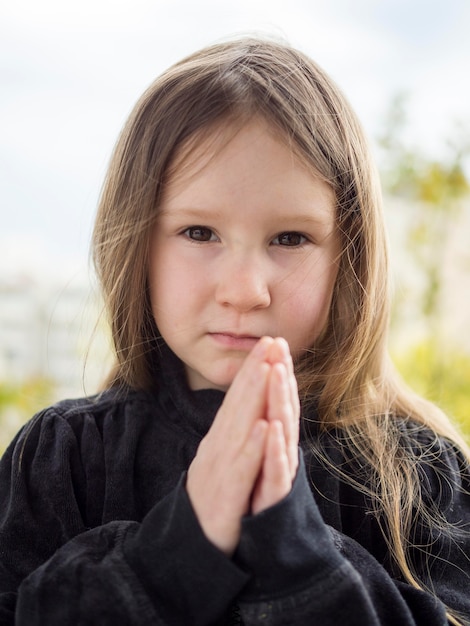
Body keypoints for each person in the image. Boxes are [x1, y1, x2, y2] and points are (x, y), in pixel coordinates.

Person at [0, 37, 469, 626]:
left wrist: (292, 540)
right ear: (135, 245)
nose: (246, 290)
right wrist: (183, 543)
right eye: (199, 233)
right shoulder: (61, 458)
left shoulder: (416, 476)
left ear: (348, 260)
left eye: (291, 238)